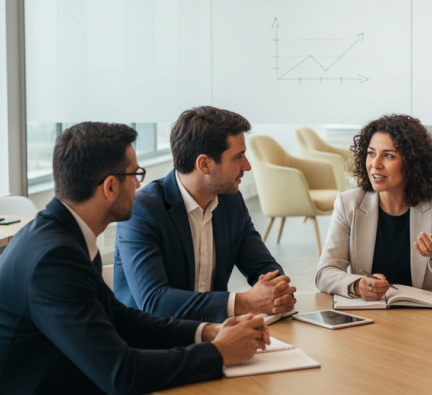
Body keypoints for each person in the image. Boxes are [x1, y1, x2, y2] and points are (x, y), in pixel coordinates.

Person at [0, 122, 269, 395]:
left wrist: (207, 332)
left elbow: (119, 318)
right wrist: (217, 353)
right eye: (135, 175)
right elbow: (120, 373)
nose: (139, 186)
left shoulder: (65, 235)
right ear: (109, 187)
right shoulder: (53, 258)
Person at [114, 106, 296, 324]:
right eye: (238, 157)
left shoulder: (231, 201)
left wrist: (278, 292)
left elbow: (263, 267)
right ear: (204, 164)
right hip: (152, 344)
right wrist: (243, 302)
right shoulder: (142, 210)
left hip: (215, 335)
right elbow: (155, 302)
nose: (247, 166)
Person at [316, 114, 432, 298]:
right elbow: (325, 272)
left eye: (388, 155)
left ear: (412, 163)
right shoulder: (348, 204)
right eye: (371, 153)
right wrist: (356, 285)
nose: (375, 164)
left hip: (422, 319)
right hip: (369, 315)